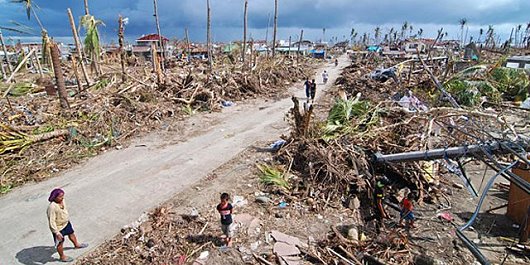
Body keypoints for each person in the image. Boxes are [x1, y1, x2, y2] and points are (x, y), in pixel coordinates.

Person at [47, 188, 88, 262]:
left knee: (71, 234)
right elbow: (51, 222)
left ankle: (76, 244)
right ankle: (62, 257)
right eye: (60, 197)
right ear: (55, 197)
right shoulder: (52, 207)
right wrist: (56, 233)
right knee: (60, 243)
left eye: (63, 196)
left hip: (66, 223)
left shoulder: (62, 201)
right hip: (58, 228)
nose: (62, 198)